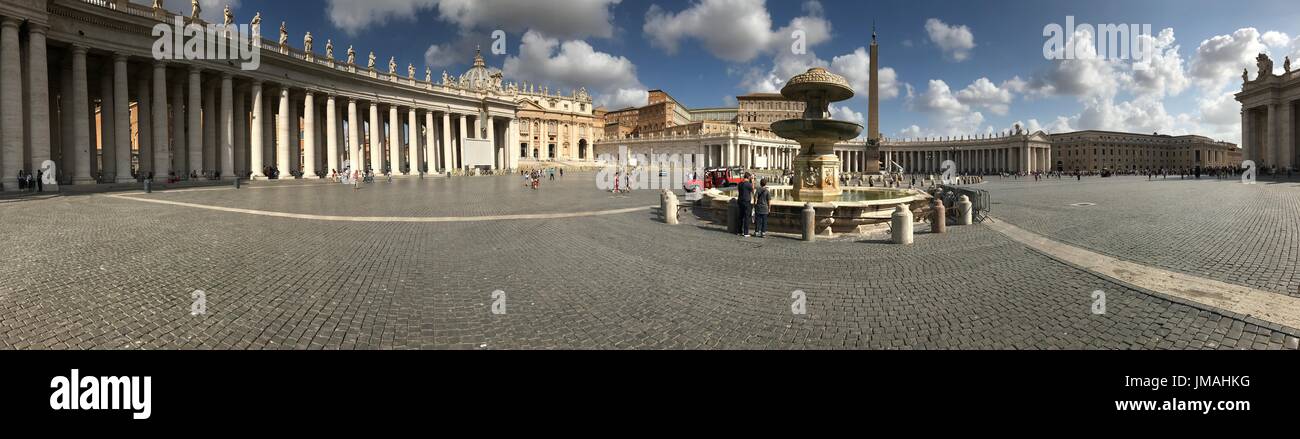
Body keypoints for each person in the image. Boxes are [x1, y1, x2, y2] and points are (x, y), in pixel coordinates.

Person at [736, 173, 754, 237]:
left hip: (740, 201)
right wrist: (753, 181)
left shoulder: (740, 184)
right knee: (746, 217)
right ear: (748, 177)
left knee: (740, 216)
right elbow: (753, 191)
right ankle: (746, 232)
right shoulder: (749, 184)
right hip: (746, 202)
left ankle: (739, 231)